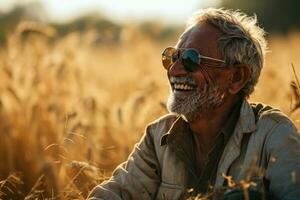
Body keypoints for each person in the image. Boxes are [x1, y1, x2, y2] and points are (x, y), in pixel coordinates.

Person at [88, 8, 300, 200]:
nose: (174, 70)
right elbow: (115, 194)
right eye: (172, 57)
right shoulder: (158, 136)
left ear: (236, 77)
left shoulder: (274, 135)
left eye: (191, 59)